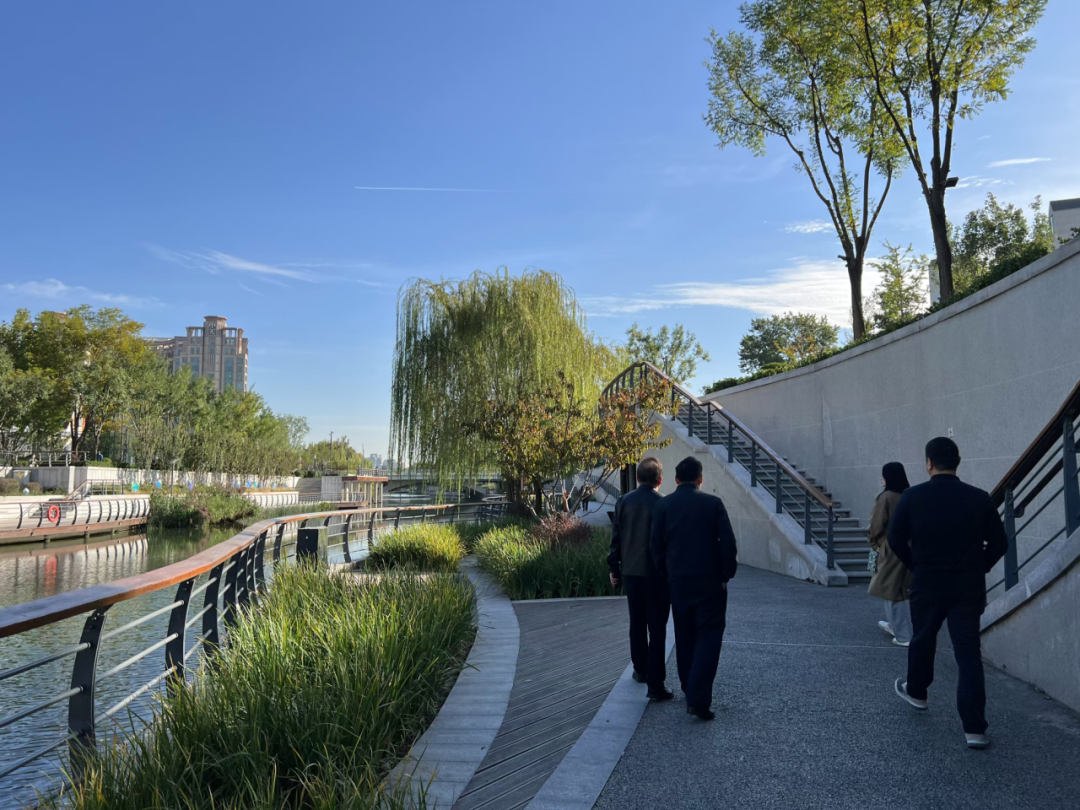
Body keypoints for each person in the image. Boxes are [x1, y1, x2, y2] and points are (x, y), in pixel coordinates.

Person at [888, 437, 1008, 749]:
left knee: (923, 638)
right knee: (968, 654)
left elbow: (895, 538)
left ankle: (917, 692)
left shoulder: (913, 496)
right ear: (959, 461)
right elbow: (1000, 543)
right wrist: (979, 566)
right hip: (967, 584)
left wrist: (916, 564)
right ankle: (974, 728)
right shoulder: (978, 498)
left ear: (929, 463)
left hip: (927, 580)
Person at [650, 456, 738, 720]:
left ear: (676, 479)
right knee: (709, 635)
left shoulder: (663, 506)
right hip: (710, 581)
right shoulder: (713, 503)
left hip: (678, 581)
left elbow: (656, 546)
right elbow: (728, 543)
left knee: (684, 634)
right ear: (701, 478)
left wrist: (666, 574)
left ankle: (689, 688)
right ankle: (698, 698)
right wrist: (726, 574)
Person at [608, 457, 672, 701]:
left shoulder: (623, 501)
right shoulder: (664, 504)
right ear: (660, 480)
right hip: (657, 575)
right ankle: (656, 683)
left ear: (637, 478)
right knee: (657, 628)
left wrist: (614, 569)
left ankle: (640, 669)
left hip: (632, 573)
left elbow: (616, 539)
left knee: (636, 623)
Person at [868, 462, 913, 647]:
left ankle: (903, 634)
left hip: (891, 547)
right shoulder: (909, 495)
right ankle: (896, 626)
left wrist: (876, 545)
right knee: (901, 588)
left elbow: (876, 525)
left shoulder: (886, 497)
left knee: (892, 590)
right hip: (911, 545)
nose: (881, 479)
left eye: (883, 475)